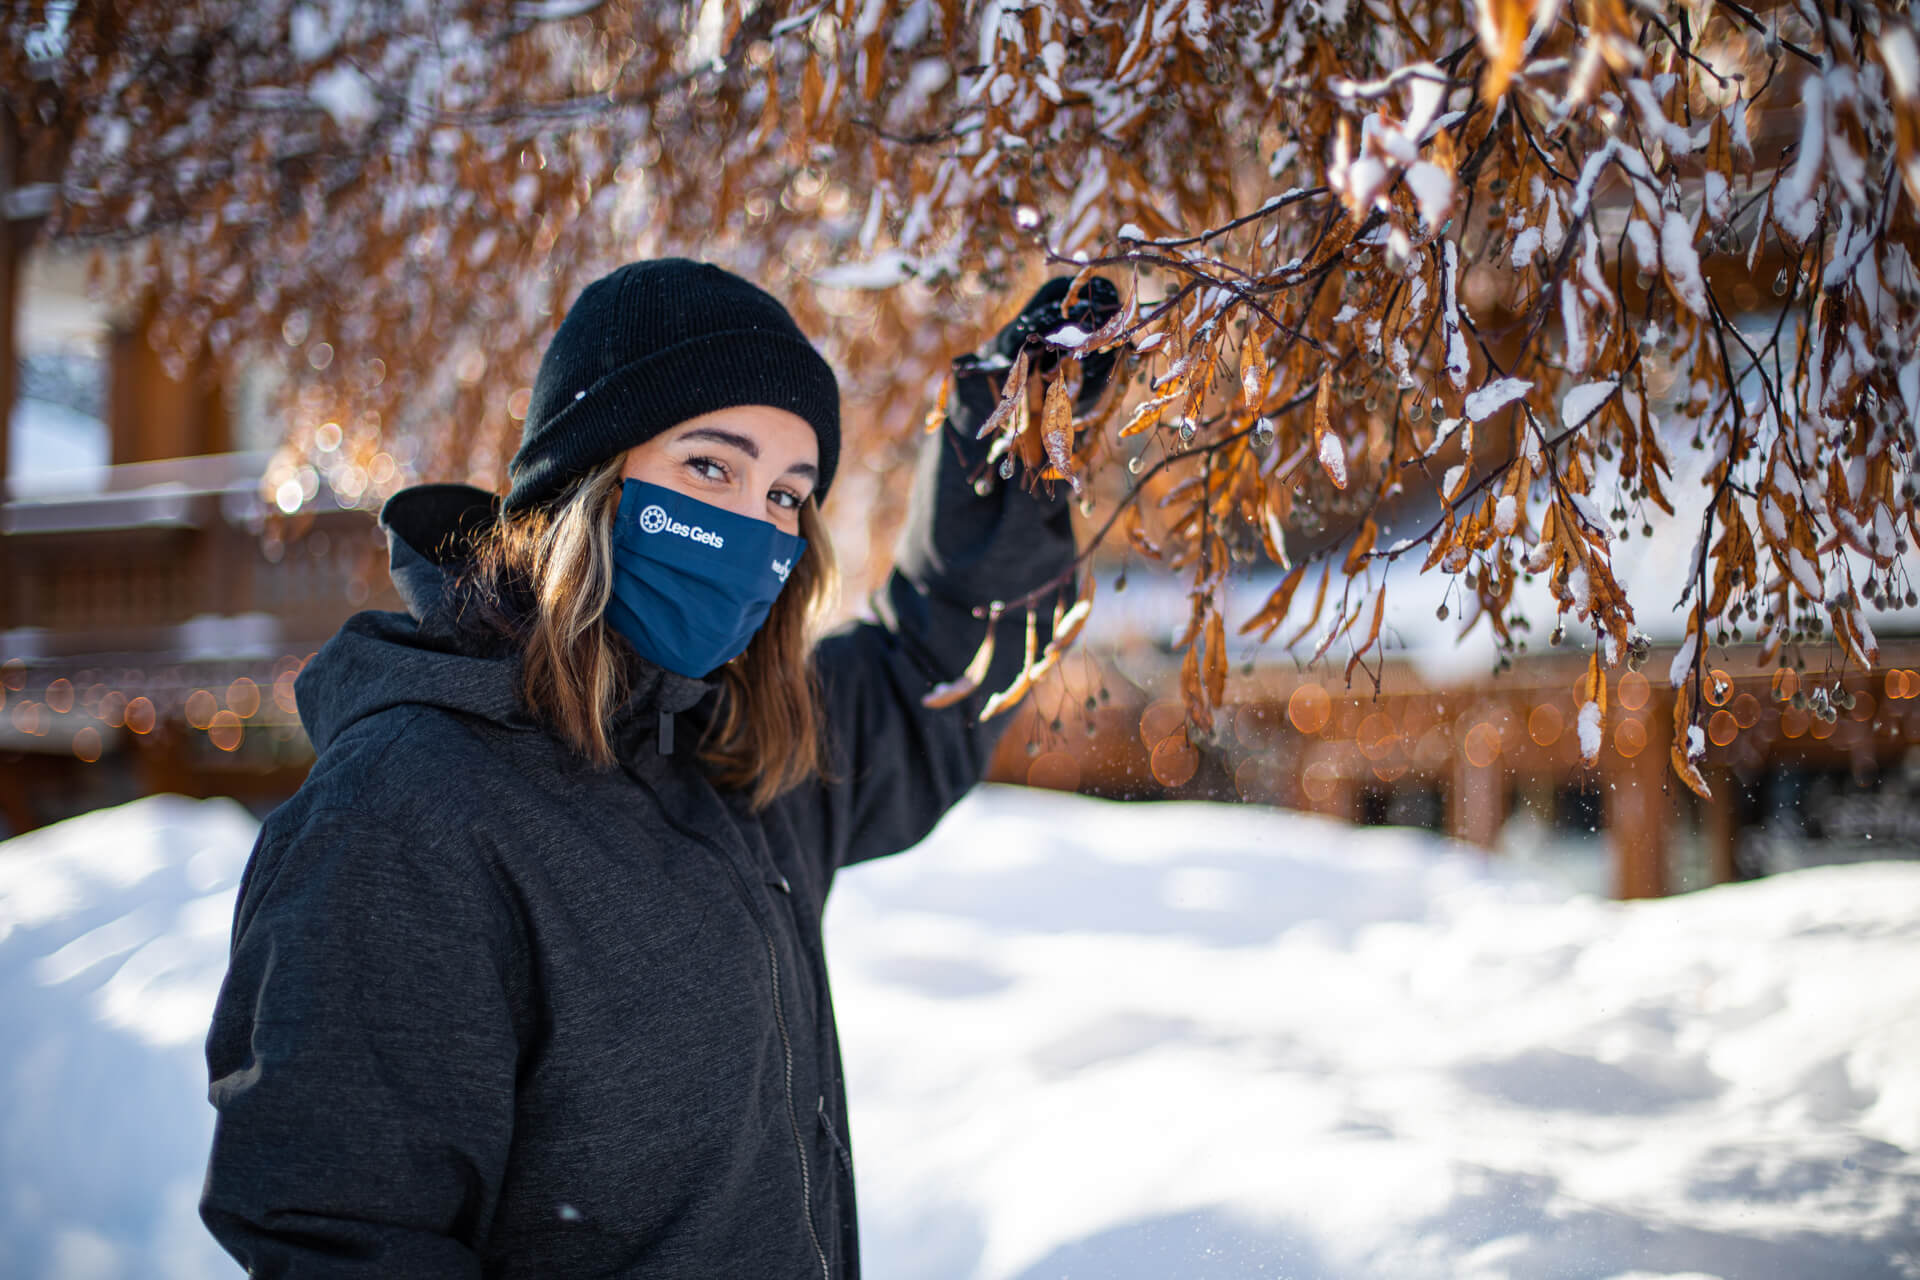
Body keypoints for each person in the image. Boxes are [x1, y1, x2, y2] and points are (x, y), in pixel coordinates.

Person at [200, 258, 1118, 1277]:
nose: (755, 522)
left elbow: (929, 674)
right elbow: (348, 1239)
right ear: (589, 473)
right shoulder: (407, 811)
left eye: (785, 493)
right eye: (711, 468)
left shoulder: (734, 753)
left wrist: (1009, 450)